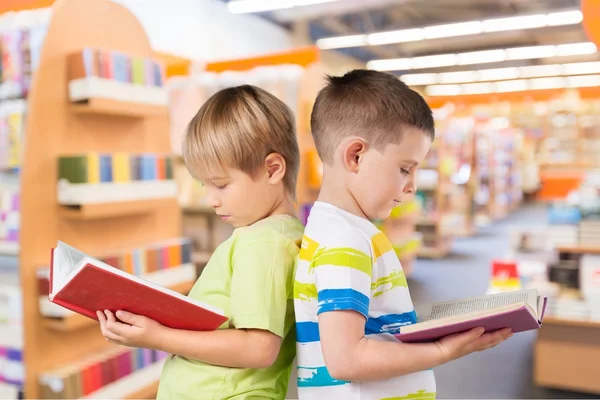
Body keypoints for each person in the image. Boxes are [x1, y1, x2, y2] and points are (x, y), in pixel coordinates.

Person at [293, 69, 513, 399]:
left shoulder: (339, 231)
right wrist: (442, 351)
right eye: (404, 169)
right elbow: (346, 359)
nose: (411, 186)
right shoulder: (346, 241)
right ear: (355, 156)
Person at [97, 85, 304, 400]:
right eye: (205, 185)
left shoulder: (260, 243)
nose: (212, 200)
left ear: (273, 169)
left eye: (221, 185)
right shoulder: (283, 235)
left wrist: (159, 337)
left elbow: (259, 348)